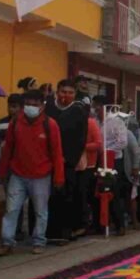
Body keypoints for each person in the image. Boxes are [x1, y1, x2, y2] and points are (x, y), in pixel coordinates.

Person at [0, 90, 64, 256]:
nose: (31, 107)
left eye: (35, 104)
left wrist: (59, 177)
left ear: (42, 106)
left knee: (41, 211)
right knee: (11, 210)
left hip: (42, 176)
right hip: (17, 175)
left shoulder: (50, 125)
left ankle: (39, 241)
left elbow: (57, 153)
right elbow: (8, 148)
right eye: (28, 104)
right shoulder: (16, 122)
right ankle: (7, 243)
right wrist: (2, 172)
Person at [45, 79, 88, 244]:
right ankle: (45, 233)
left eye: (70, 93)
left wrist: (68, 158)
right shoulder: (48, 108)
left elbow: (81, 139)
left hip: (67, 162)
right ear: (58, 91)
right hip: (47, 161)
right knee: (46, 197)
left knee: (66, 197)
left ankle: (64, 233)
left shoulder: (79, 111)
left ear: (74, 95)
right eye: (63, 92)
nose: (66, 96)